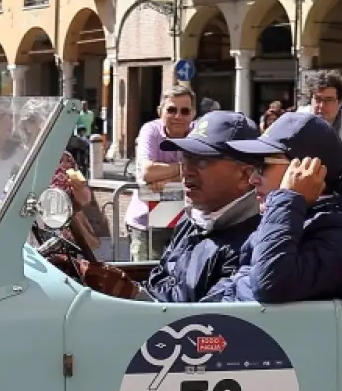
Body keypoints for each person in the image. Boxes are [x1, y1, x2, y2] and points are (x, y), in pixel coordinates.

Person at [61, 112, 266, 302]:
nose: (186, 171)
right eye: (185, 158)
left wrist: (132, 294)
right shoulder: (192, 220)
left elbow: (206, 323)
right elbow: (160, 282)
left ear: (245, 175)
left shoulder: (254, 243)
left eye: (202, 161)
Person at [213, 113, 342, 303]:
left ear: (308, 170)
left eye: (263, 166)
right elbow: (235, 286)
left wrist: (289, 197)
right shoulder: (291, 216)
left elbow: (270, 285)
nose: (253, 179)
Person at [125, 86, 197, 258]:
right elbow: (147, 172)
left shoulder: (198, 133)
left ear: (193, 114)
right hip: (146, 222)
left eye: (184, 111)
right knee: (145, 277)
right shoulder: (150, 130)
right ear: (160, 111)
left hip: (185, 221)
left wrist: (165, 178)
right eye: (171, 110)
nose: (178, 116)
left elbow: (204, 173)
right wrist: (185, 170)